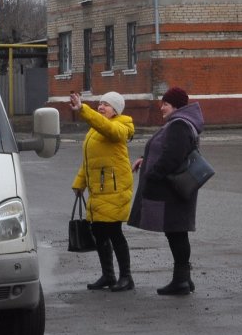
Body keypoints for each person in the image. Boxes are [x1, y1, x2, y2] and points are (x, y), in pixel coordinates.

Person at [128, 86, 204, 295]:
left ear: (177, 106)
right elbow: (166, 150)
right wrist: (146, 160)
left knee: (176, 232)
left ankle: (181, 280)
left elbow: (173, 156)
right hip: (176, 188)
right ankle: (184, 279)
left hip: (173, 188)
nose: (161, 107)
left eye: (166, 104)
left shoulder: (179, 125)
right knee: (176, 232)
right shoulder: (178, 123)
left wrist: (153, 173)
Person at [70, 90, 136, 291]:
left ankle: (126, 277)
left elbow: (108, 129)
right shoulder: (95, 128)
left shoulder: (121, 126)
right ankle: (108, 275)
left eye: (106, 104)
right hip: (99, 190)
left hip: (115, 189)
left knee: (114, 232)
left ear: (116, 110)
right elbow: (90, 161)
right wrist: (79, 183)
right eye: (100, 103)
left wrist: (84, 109)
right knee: (99, 232)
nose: (101, 107)